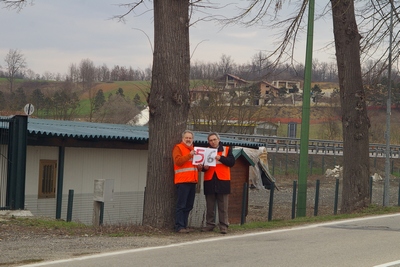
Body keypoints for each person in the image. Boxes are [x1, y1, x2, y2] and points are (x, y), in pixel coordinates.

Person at [202, 132, 235, 234]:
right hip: (210, 180)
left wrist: (220, 158)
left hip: (223, 180)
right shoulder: (205, 151)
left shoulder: (226, 149)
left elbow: (231, 162)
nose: (212, 142)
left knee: (223, 206)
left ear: (218, 140)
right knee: (210, 206)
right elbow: (202, 166)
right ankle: (209, 225)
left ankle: (223, 226)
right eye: (210, 140)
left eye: (214, 139)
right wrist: (204, 167)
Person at [172, 130, 202, 233]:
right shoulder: (178, 148)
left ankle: (184, 225)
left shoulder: (194, 150)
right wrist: (189, 155)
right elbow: (178, 161)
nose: (188, 139)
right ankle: (179, 226)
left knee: (189, 205)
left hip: (192, 181)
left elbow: (193, 166)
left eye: (190, 138)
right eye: (186, 138)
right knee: (181, 205)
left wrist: (199, 167)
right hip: (182, 181)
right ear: (182, 139)